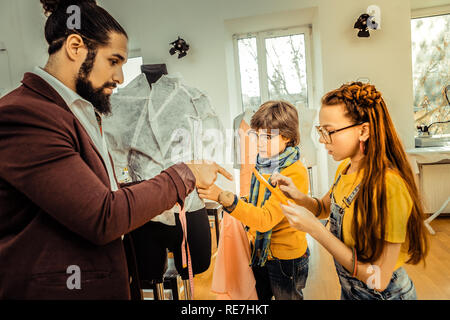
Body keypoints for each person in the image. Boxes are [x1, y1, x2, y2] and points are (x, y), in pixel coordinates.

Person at [0, 0, 231, 299]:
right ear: (75, 47)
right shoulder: (25, 115)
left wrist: (153, 190)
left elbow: (92, 192)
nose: (121, 78)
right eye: (114, 61)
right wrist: (184, 174)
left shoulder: (76, 111)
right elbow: (101, 215)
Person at [273, 82, 429, 300]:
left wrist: (315, 230)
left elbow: (379, 279)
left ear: (363, 130)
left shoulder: (389, 186)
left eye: (329, 131)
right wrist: (298, 196)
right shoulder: (345, 168)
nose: (321, 139)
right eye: (321, 130)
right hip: (352, 292)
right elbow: (323, 208)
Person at [198, 100, 310, 300]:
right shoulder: (263, 163)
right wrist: (242, 202)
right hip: (261, 252)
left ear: (288, 137)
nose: (259, 142)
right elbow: (259, 201)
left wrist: (227, 200)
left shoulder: (294, 172)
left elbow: (265, 218)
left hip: (285, 259)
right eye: (257, 134)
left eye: (267, 137)